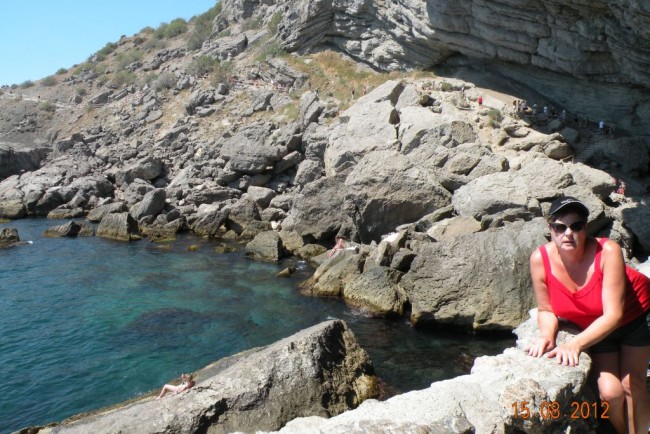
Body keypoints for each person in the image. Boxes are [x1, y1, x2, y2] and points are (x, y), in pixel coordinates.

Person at [527, 196, 650, 434]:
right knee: (610, 394)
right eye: (560, 227)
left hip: (636, 316)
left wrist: (574, 344)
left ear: (585, 228)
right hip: (597, 324)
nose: (568, 233)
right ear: (550, 228)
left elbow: (614, 315)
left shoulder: (608, 251)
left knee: (631, 384)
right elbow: (546, 309)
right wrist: (546, 335)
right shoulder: (539, 259)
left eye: (576, 226)